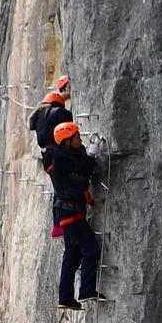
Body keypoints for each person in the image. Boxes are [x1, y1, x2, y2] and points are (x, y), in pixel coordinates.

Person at [46, 121, 105, 310]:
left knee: (72, 256)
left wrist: (88, 157)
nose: (80, 139)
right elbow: (78, 180)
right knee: (91, 250)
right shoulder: (61, 161)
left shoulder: (71, 154)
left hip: (70, 213)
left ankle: (65, 298)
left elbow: (81, 169)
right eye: (76, 137)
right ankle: (86, 290)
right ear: (66, 141)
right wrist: (91, 158)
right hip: (71, 215)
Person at [30, 89, 72, 154]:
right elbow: (69, 120)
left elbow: (31, 126)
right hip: (57, 150)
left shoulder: (38, 114)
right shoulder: (59, 111)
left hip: (45, 151)